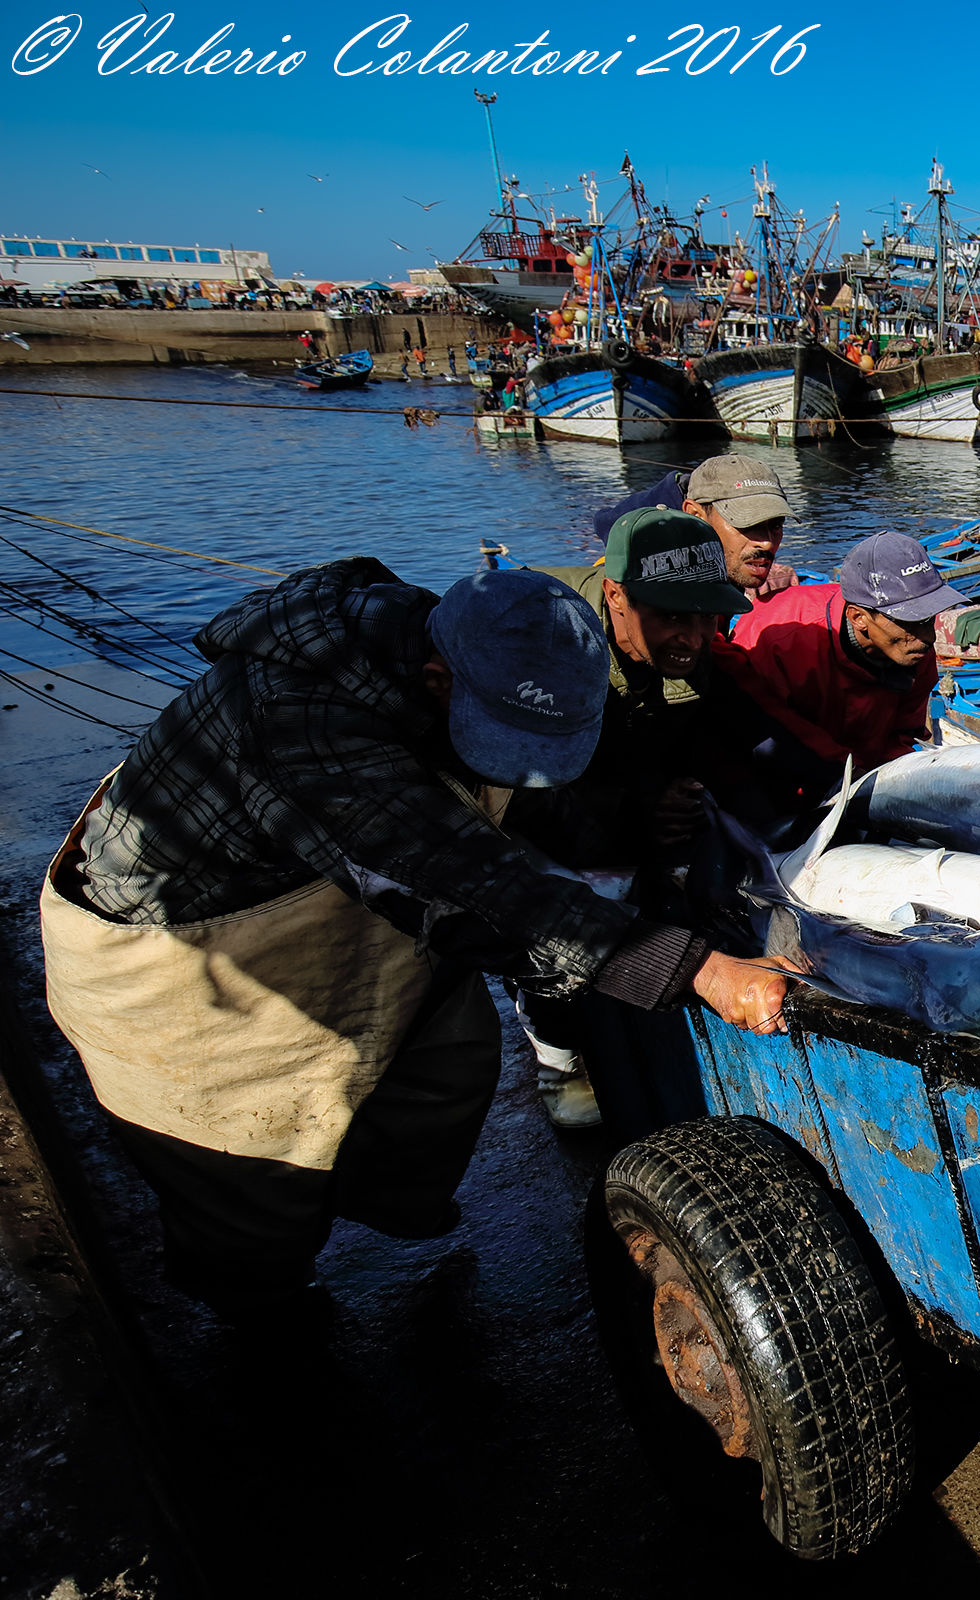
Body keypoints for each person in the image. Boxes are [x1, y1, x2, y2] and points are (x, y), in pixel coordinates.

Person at [40, 562, 795, 1317]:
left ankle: (376, 1204)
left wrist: (630, 832)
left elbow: (532, 806)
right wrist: (692, 966)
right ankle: (266, 1322)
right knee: (246, 1174)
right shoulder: (306, 727)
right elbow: (476, 889)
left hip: (329, 895)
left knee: (443, 1056)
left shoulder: (449, 637)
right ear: (438, 682)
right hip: (186, 946)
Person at [509, 508, 794, 1132]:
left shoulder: (685, 641)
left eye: (704, 618)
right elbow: (520, 797)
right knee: (560, 902)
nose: (692, 637)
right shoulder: (546, 651)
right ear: (615, 596)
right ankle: (557, 1051)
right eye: (671, 617)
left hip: (621, 786)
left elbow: (743, 735)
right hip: (531, 809)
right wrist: (639, 813)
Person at [717, 531, 968, 808]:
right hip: (773, 787)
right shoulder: (776, 639)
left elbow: (902, 735)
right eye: (910, 621)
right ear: (859, 618)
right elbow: (757, 732)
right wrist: (840, 776)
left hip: (857, 783)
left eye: (928, 618)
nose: (928, 636)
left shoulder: (915, 650)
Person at [590, 455, 797, 598]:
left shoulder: (715, 558)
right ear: (696, 516)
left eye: (777, 526)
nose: (767, 543)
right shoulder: (647, 580)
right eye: (748, 524)